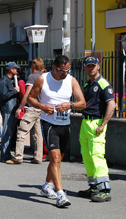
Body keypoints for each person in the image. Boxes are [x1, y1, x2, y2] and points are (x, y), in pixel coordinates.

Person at [26, 55, 86, 208]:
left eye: (67, 70)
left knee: (57, 160)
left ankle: (47, 185)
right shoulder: (43, 79)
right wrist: (42, 106)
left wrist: (70, 105)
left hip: (64, 124)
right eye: (62, 71)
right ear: (54, 68)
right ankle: (60, 195)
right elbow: (30, 98)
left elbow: (82, 103)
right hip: (49, 123)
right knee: (55, 158)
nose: (65, 73)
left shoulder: (71, 80)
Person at [76, 56, 116, 202]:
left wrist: (103, 124)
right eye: (88, 66)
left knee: (97, 155)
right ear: (85, 67)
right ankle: (94, 186)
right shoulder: (88, 85)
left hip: (96, 123)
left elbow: (112, 104)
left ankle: (104, 189)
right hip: (86, 122)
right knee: (87, 156)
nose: (91, 68)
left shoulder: (103, 84)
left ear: (98, 66)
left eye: (93, 65)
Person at [13, 58, 46, 164]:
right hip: (41, 108)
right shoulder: (44, 77)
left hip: (32, 108)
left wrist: (20, 107)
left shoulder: (32, 77)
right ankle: (38, 156)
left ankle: (18, 156)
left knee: (22, 131)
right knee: (38, 134)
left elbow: (27, 94)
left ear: (34, 66)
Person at [0, 62, 21, 163]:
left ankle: (7, 152)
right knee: (7, 132)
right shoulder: (3, 81)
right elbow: (3, 96)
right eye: (15, 68)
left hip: (12, 109)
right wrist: (15, 91)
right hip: (7, 110)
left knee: (10, 132)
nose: (16, 70)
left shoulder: (9, 81)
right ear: (10, 69)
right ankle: (4, 154)